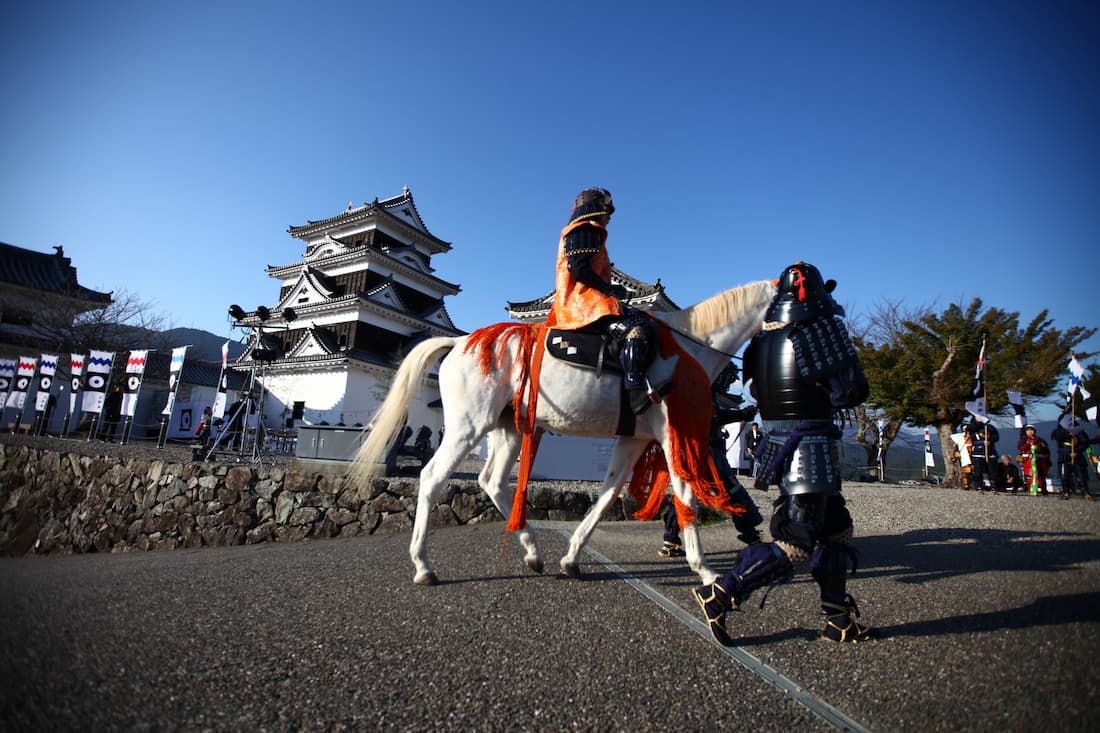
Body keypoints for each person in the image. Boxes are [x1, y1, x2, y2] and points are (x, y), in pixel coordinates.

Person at [692, 262, 873, 645]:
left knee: (836, 529)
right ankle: (721, 593)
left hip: (779, 443)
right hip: (810, 445)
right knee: (798, 539)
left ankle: (837, 618)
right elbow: (850, 391)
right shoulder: (821, 329)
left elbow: (757, 392)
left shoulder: (761, 340)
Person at [546, 187, 664, 414]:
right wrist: (609, 289)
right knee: (637, 327)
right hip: (583, 303)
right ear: (595, 209)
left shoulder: (586, 231)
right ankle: (635, 391)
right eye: (607, 210)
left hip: (589, 299)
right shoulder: (585, 229)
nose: (609, 216)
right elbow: (579, 269)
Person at [659, 364, 763, 557]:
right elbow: (713, 416)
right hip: (707, 453)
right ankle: (752, 538)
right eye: (728, 377)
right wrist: (741, 414)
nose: (729, 382)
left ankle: (670, 540)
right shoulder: (702, 391)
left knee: (683, 494)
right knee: (732, 492)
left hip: (692, 451)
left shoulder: (696, 388)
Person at [1051, 415, 1093, 499]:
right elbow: (1058, 437)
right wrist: (1069, 434)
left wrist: (1076, 451)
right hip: (1064, 456)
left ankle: (1085, 491)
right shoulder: (1058, 431)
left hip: (1077, 455)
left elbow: (1085, 442)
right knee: (1065, 475)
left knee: (1081, 475)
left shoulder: (1079, 431)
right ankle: (1066, 491)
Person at [1017, 424, 1051, 494]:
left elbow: (1046, 450)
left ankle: (1043, 489)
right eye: (1028, 430)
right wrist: (1029, 444)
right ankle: (1031, 488)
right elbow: (1020, 447)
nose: (1030, 431)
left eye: (1031, 430)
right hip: (1028, 460)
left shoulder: (1040, 440)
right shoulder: (1023, 440)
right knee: (1029, 475)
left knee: (1041, 475)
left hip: (1040, 460)